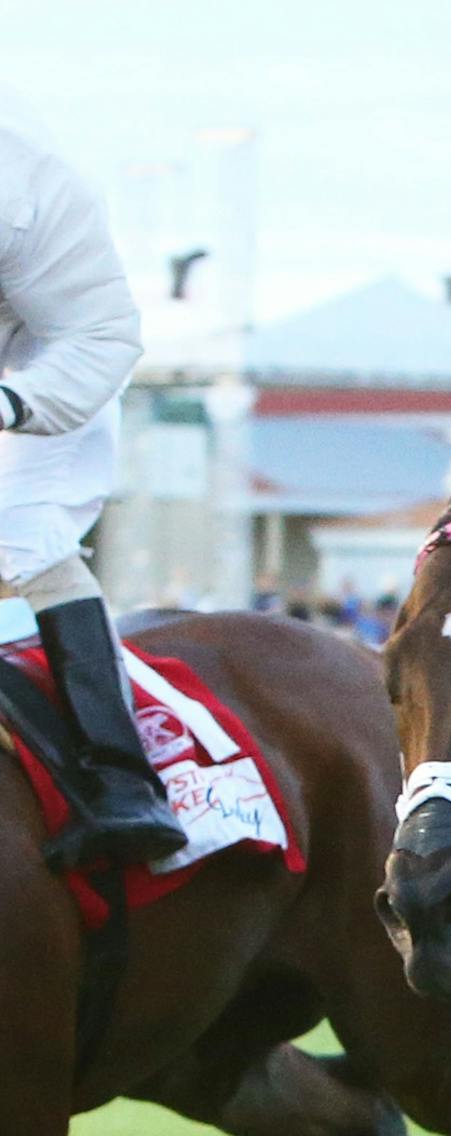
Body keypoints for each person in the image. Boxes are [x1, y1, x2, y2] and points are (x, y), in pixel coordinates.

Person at [0, 93, 187, 868]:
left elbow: (101, 334)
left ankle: (123, 781)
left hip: (48, 362)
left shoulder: (32, 184)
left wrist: (13, 403)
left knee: (19, 532)